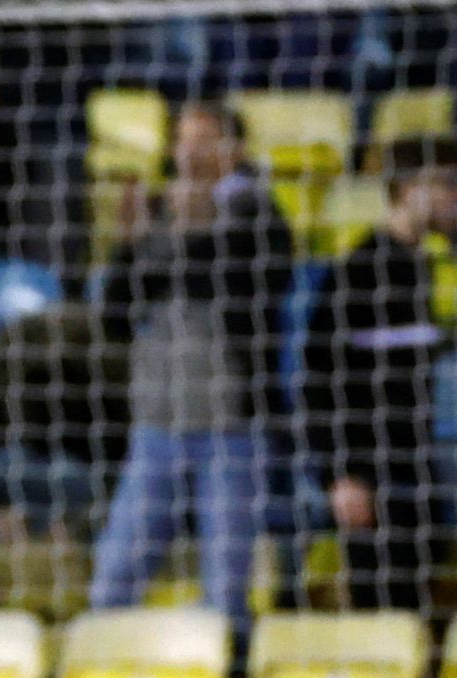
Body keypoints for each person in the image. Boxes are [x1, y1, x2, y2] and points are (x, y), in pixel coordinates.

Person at [88, 102, 293, 628]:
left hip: (231, 430)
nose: (189, 151)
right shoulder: (159, 213)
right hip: (157, 425)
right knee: (113, 580)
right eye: (182, 139)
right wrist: (128, 248)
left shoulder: (261, 214)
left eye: (203, 139)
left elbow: (244, 295)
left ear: (235, 150)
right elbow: (115, 313)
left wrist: (184, 237)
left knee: (226, 592)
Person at [301, 137, 457, 612]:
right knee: (384, 607)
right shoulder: (358, 273)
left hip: (422, 471)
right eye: (447, 185)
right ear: (409, 190)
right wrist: (341, 475)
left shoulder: (432, 266)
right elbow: (319, 380)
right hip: (373, 476)